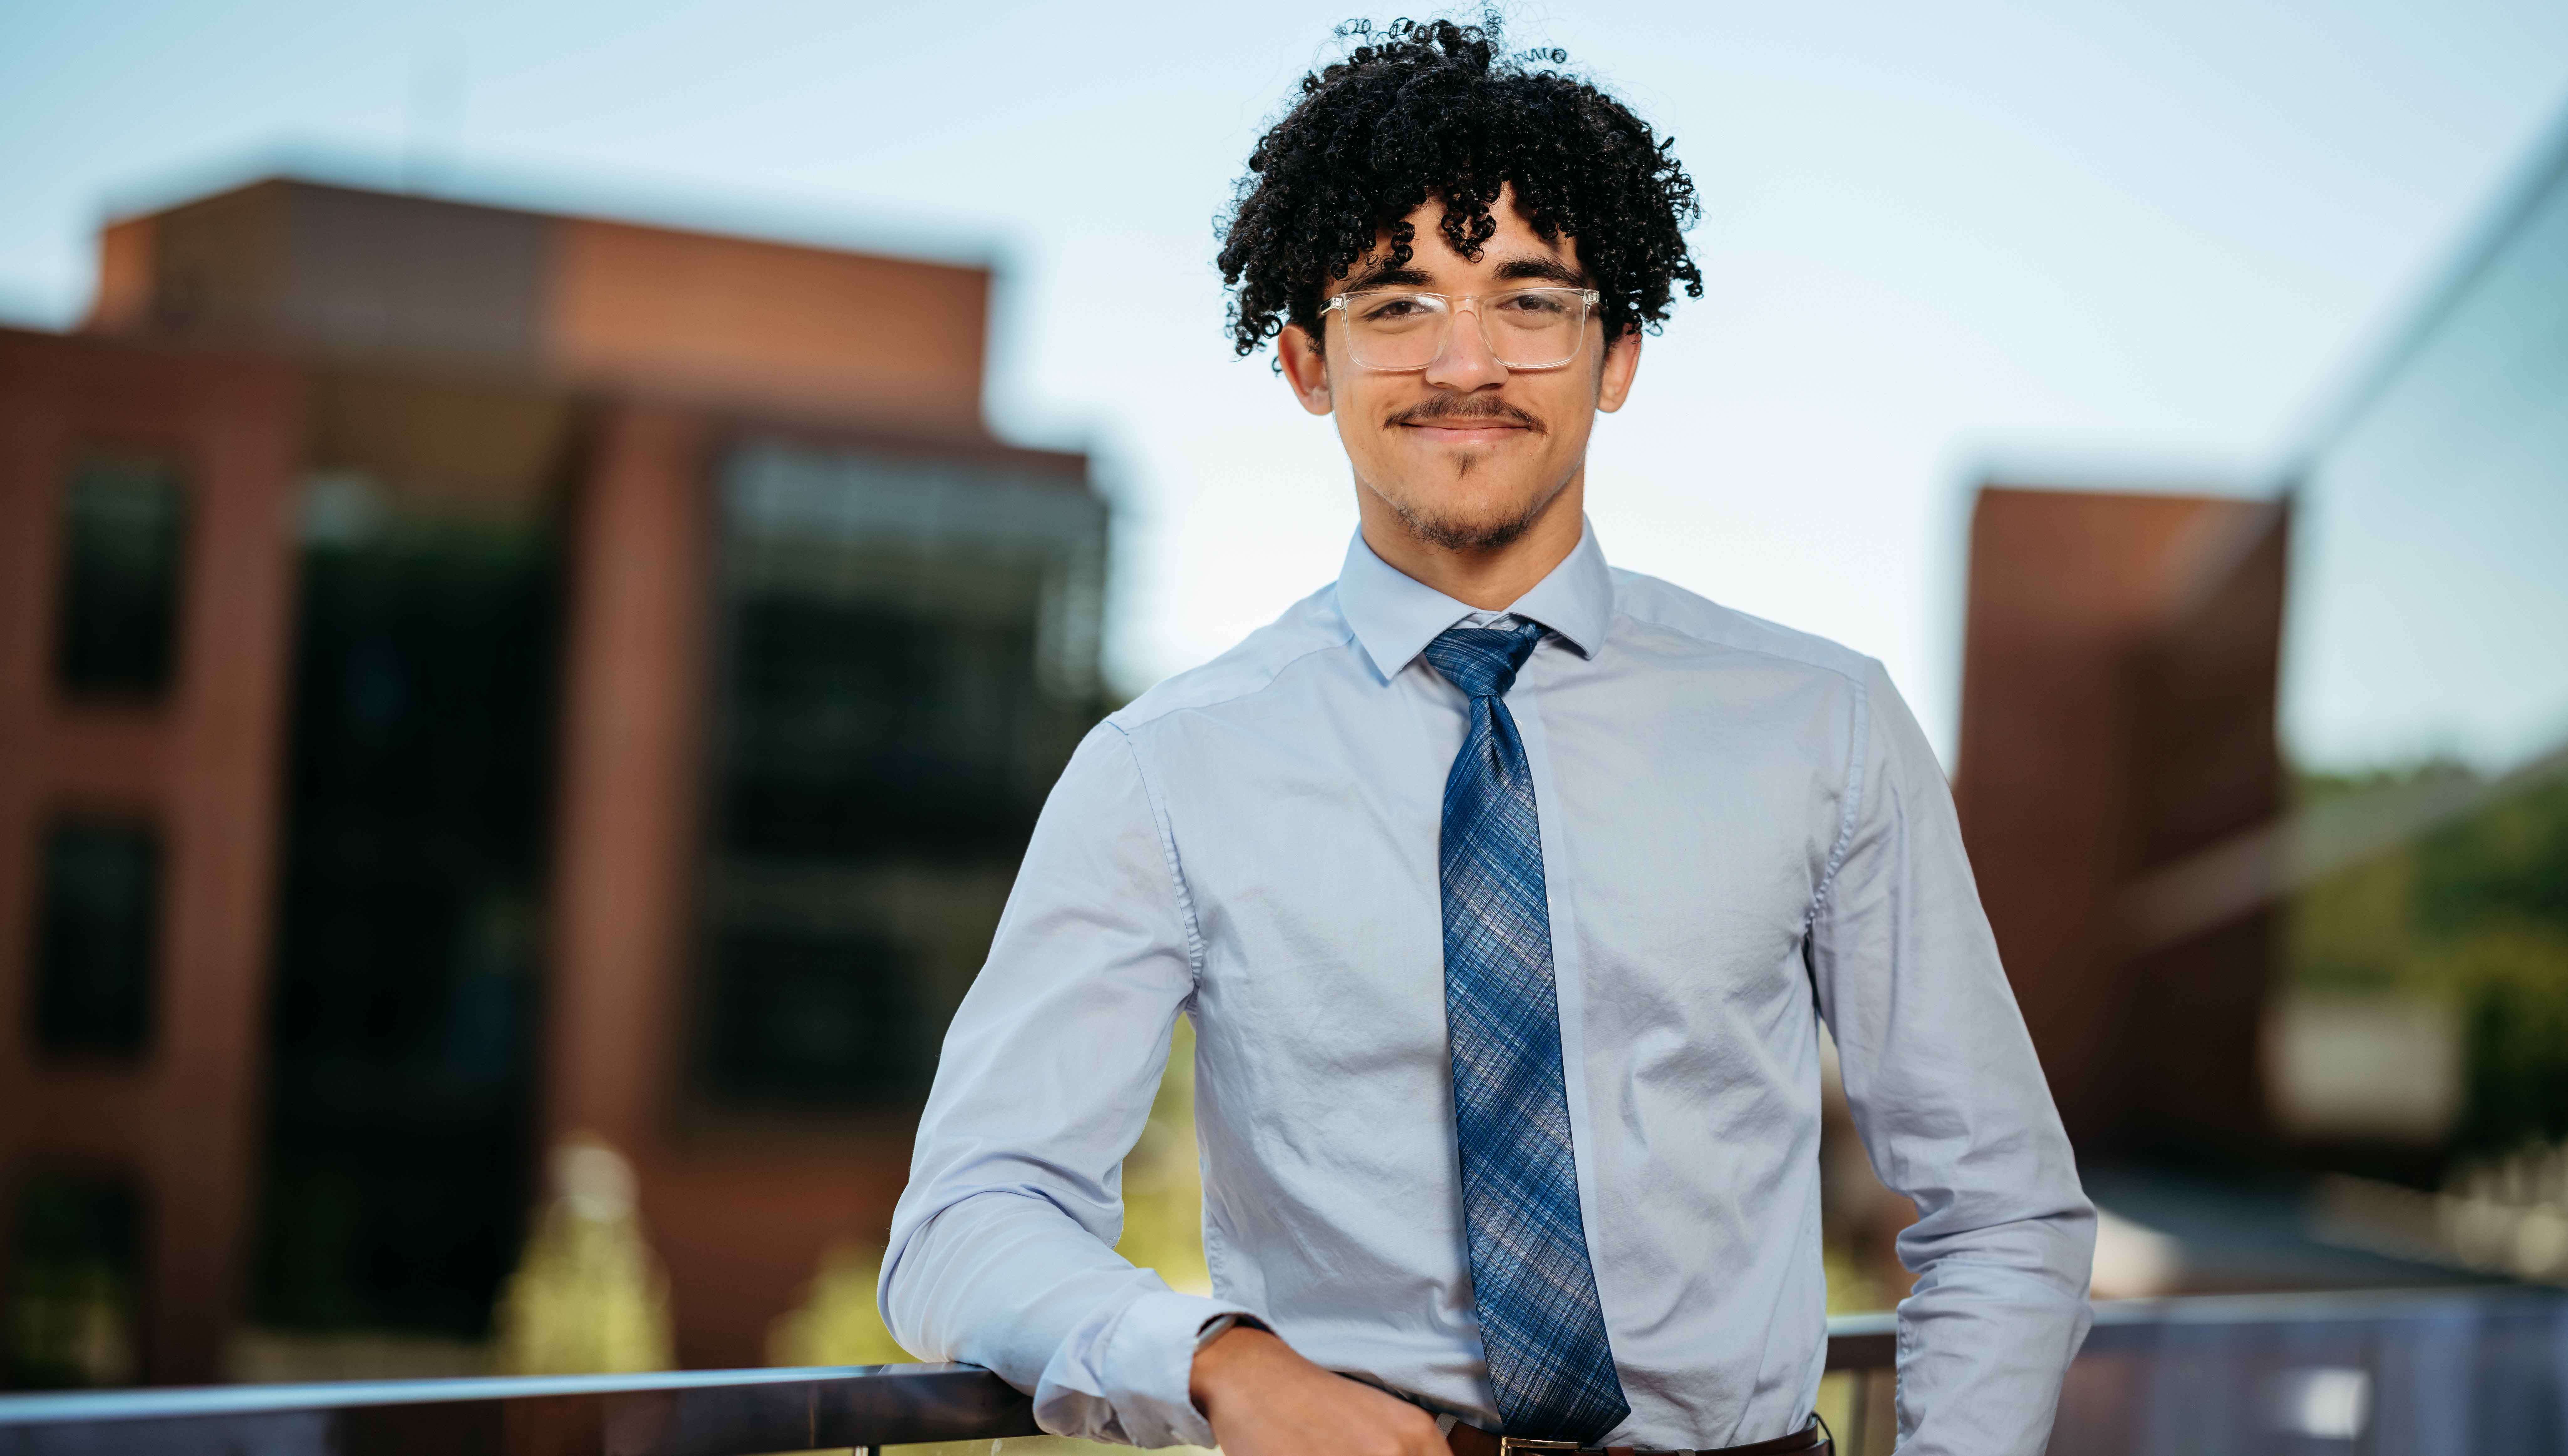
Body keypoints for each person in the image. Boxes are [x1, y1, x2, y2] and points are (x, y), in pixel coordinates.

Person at [881, 17, 2094, 1456]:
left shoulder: (1823, 725)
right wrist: (1219, 1359)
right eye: (1395, 305)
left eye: (1529, 300)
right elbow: (967, 1217)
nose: (1466, 361)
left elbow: (2003, 1204)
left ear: (1618, 352)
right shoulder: (1163, 772)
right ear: (1305, 363)